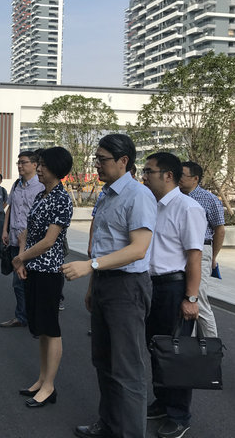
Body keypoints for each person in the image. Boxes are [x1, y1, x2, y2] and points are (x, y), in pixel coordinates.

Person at [62, 134, 157, 438]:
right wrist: (93, 286)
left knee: (127, 369)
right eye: (97, 159)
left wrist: (89, 266)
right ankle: (109, 423)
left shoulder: (138, 196)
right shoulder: (106, 194)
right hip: (105, 283)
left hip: (127, 287)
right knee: (103, 361)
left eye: (102, 160)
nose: (97, 165)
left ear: (123, 161)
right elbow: (103, 245)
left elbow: (138, 249)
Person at [142, 152, 205, 438]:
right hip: (150, 285)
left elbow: (194, 256)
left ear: (168, 175)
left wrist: (191, 298)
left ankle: (179, 415)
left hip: (173, 287)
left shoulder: (187, 208)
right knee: (156, 347)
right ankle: (162, 401)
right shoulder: (151, 205)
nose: (145, 176)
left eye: (149, 171)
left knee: (175, 353)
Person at [12, 147, 73, 408]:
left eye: (43, 165)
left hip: (49, 272)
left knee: (51, 330)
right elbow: (27, 231)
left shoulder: (62, 198)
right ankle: (42, 379)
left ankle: (49, 386)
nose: (38, 169)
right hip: (33, 268)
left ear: (56, 169)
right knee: (40, 330)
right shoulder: (42, 195)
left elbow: (49, 241)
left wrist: (22, 258)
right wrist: (21, 257)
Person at [179, 161, 224, 338]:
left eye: (182, 175)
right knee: (182, 296)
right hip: (180, 249)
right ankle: (188, 343)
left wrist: (212, 257)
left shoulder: (209, 199)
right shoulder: (175, 197)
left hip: (201, 248)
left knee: (198, 298)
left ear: (195, 178)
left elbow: (219, 229)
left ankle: (212, 344)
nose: (178, 178)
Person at [0, 151, 44, 328]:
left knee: (32, 282)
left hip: (32, 244)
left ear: (34, 165)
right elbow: (10, 208)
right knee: (18, 282)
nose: (19, 166)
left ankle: (34, 317)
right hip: (14, 239)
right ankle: (22, 316)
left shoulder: (41, 186)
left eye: (23, 162)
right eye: (18, 163)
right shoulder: (17, 184)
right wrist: (4, 230)